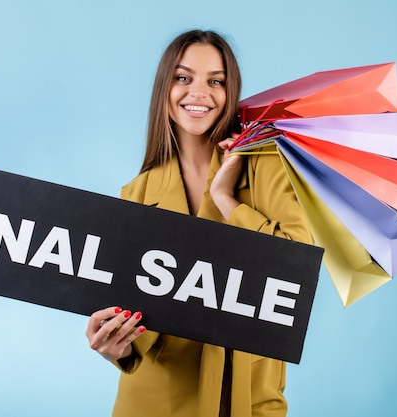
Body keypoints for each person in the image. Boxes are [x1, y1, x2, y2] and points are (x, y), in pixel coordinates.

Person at [85, 29, 312, 417]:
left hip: (246, 401)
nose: (199, 93)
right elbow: (137, 322)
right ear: (165, 90)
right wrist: (115, 345)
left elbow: (296, 264)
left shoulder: (266, 167)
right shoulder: (136, 193)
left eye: (216, 81)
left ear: (230, 92)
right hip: (154, 402)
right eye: (184, 78)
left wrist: (227, 201)